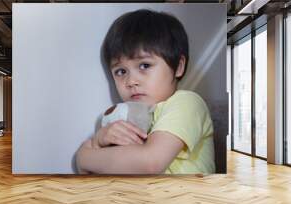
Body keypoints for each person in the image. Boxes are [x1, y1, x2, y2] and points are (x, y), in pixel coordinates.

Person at [76, 9, 215, 174]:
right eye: (121, 71)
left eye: (145, 66)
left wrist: (83, 157)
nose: (131, 82)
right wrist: (98, 142)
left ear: (178, 67)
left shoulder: (187, 102)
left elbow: (150, 163)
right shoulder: (126, 115)